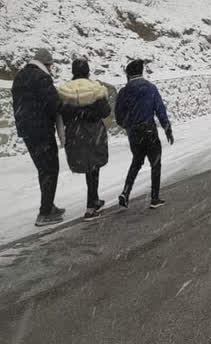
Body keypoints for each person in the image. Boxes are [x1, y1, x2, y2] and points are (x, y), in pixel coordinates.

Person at [11, 48, 65, 226]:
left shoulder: (20, 76)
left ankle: (49, 206)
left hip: (27, 131)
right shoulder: (41, 78)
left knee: (43, 169)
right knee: (50, 169)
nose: (50, 70)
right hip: (41, 130)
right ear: (46, 64)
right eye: (50, 66)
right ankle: (44, 213)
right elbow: (53, 104)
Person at [115, 59, 173, 209]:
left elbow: (119, 116)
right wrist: (167, 128)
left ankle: (126, 192)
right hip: (149, 130)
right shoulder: (150, 88)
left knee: (136, 161)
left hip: (134, 134)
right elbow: (160, 109)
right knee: (155, 162)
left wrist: (129, 126)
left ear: (128, 74)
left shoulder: (123, 91)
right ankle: (154, 198)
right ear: (141, 72)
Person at [57, 58, 111, 221]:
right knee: (94, 168)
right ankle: (90, 207)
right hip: (93, 132)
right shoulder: (95, 88)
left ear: (73, 72)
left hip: (75, 134)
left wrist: (77, 114)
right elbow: (105, 111)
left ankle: (94, 199)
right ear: (87, 71)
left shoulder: (65, 91)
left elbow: (62, 114)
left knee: (88, 167)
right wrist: (89, 113)